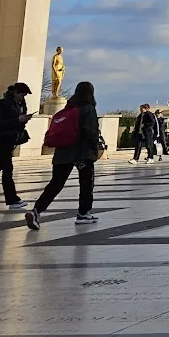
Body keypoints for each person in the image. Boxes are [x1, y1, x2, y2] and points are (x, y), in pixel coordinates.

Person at [26, 81, 100, 229]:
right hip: (81, 153)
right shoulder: (88, 108)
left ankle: (37, 210)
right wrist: (95, 149)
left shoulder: (69, 107)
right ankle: (83, 213)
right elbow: (90, 132)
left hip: (63, 152)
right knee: (86, 184)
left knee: (56, 184)